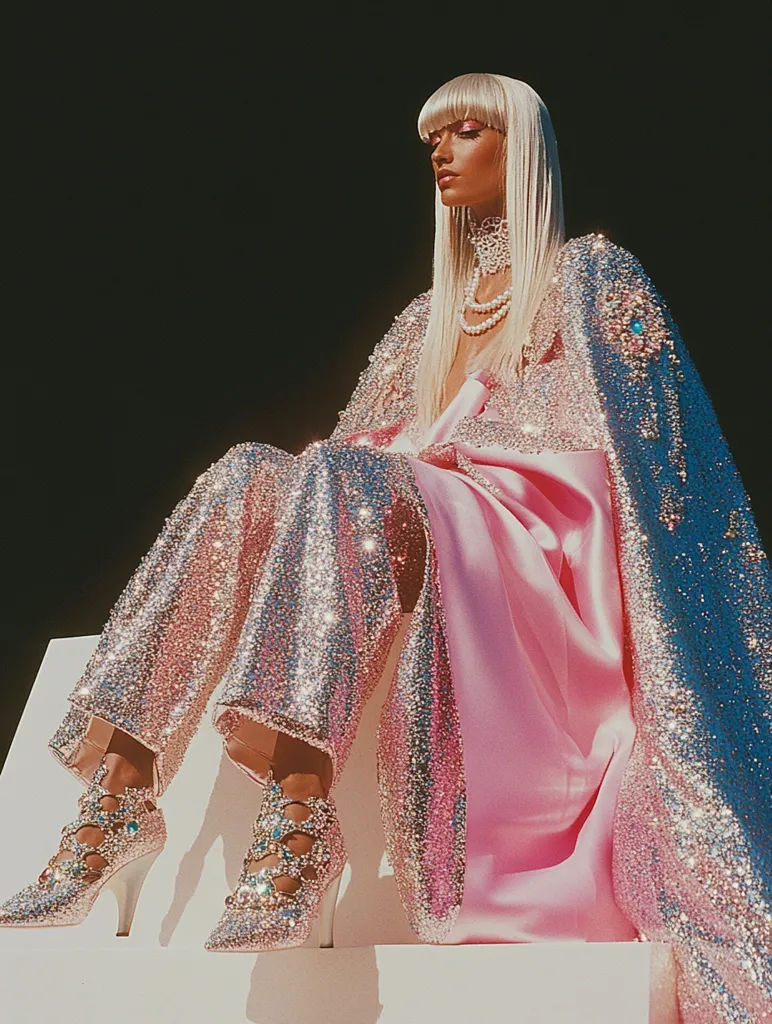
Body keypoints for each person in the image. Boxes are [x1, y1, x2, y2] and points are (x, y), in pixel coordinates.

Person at [1, 72, 769, 1023]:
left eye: (468, 132)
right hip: (429, 510)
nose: (442, 151)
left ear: (520, 147)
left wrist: (453, 456)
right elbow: (352, 462)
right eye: (433, 138)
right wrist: (398, 458)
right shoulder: (423, 321)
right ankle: (118, 792)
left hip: (528, 538)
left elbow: (640, 463)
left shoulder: (589, 276)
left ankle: (297, 807)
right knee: (249, 470)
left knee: (345, 477)